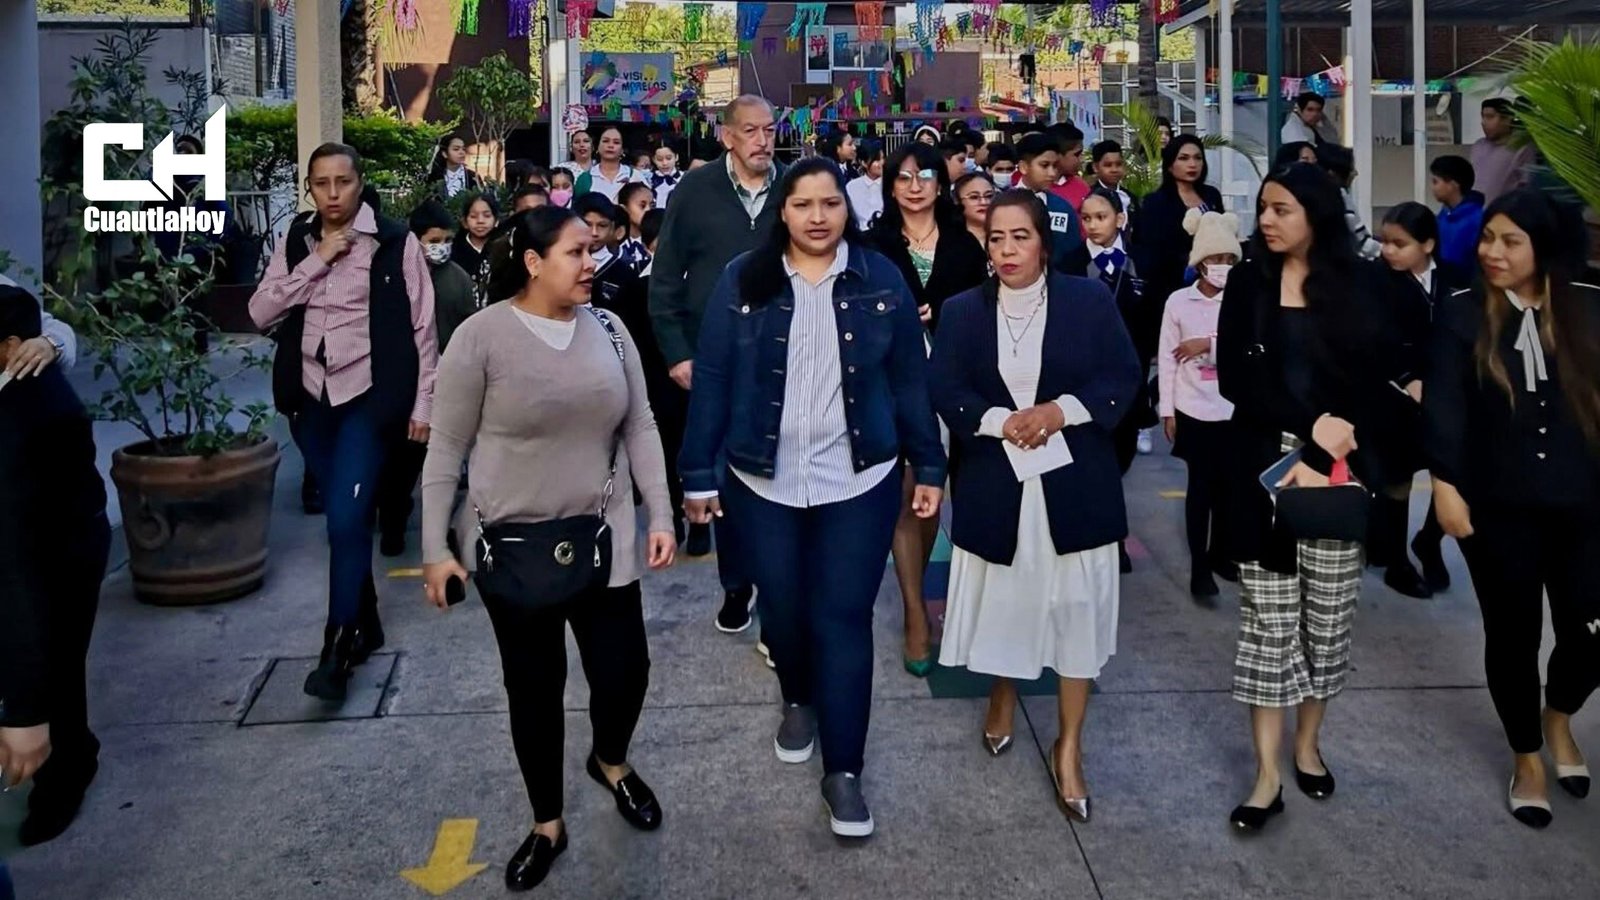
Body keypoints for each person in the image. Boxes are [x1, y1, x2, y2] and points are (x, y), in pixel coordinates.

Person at [678, 159, 945, 837]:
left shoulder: (879, 277)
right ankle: (797, 695)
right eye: (804, 204)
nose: (819, 216)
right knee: (787, 610)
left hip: (860, 480)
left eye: (831, 203)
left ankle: (844, 772)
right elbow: (712, 376)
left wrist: (930, 464)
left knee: (844, 617)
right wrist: (698, 474)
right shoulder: (746, 278)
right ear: (784, 213)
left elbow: (912, 380)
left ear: (845, 210)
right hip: (762, 480)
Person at [420, 206, 674, 890]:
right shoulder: (482, 338)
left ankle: (611, 761)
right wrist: (435, 549)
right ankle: (547, 824)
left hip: (604, 533)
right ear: (533, 264)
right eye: (575, 253)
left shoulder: (614, 333)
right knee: (535, 688)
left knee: (625, 673)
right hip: (512, 544)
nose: (591, 262)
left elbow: (642, 425)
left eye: (593, 250)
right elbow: (446, 448)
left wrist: (660, 514)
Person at [929, 190, 1140, 821]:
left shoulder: (1088, 300)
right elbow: (947, 386)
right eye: (996, 239)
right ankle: (1002, 691)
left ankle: (1069, 746)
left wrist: (1058, 412)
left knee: (1076, 612)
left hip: (1077, 483)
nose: (1007, 250)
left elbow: (1120, 377)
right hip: (998, 480)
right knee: (1008, 603)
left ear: (1044, 243)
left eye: (1020, 237)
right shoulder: (964, 311)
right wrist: (999, 422)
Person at [1215, 162, 1404, 832]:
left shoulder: (1363, 286)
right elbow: (1235, 377)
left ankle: (1307, 744)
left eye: (1282, 209)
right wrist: (1300, 430)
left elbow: (1374, 381)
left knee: (1326, 625)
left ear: (1317, 216)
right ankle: (1267, 776)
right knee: (1267, 629)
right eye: (1263, 207)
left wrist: (1324, 448)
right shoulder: (1246, 282)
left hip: (1336, 476)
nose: (1266, 220)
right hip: (1264, 469)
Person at [1423, 188, 1600, 829]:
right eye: (1488, 237)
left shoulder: (1588, 306)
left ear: (1544, 248)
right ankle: (1528, 755)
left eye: (1510, 241)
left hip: (1585, 503)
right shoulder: (1464, 309)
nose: (1492, 252)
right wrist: (1445, 483)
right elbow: (1444, 401)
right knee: (1514, 633)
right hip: (1498, 505)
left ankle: (1559, 716)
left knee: (1591, 627)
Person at [250, 143, 438, 701]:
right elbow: (260, 313)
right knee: (343, 515)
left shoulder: (396, 242)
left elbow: (425, 333)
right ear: (309, 189)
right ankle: (369, 619)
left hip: (368, 396)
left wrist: (423, 406)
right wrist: (318, 260)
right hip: (310, 402)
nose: (332, 194)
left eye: (342, 183)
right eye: (320, 184)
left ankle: (338, 644)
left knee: (345, 518)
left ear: (360, 185)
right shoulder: (295, 241)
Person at [649, 95, 784, 631]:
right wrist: (678, 352)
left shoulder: (794, 189)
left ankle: (777, 588)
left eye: (769, 130)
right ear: (727, 137)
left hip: (789, 360)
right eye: (750, 131)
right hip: (717, 362)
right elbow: (664, 280)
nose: (762, 141)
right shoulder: (696, 191)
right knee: (731, 481)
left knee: (779, 476)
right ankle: (736, 584)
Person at [870, 143, 988, 674]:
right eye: (904, 176)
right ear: (891, 184)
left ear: (942, 184)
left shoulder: (966, 245)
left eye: (926, 176)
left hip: (959, 383)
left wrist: (938, 310)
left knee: (934, 498)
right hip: (895, 382)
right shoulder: (872, 245)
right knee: (905, 493)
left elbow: (984, 306)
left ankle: (935, 597)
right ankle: (916, 613)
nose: (915, 185)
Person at [0, 286, 109, 848]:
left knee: (56, 659)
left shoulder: (28, 416)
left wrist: (24, 713)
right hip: (57, 538)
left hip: (63, 546)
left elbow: (16, 565)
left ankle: (63, 774)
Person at [374, 200, 479, 557]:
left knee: (440, 463)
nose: (442, 246)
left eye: (448, 239)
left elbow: (469, 327)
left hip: (449, 381)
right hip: (407, 381)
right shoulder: (398, 272)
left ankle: (441, 529)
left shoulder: (458, 279)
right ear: (415, 239)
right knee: (400, 461)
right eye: (434, 239)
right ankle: (393, 517)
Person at [1376, 201, 1462, 597]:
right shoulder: (1376, 282)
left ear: (1428, 244)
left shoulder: (1456, 281)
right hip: (1395, 398)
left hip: (1447, 396)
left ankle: (1429, 540)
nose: (1388, 251)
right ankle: (1396, 561)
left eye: (1399, 243)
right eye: (1384, 242)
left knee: (1451, 474)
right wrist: (1407, 378)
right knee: (1397, 481)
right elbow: (1373, 340)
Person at [1157, 210, 1242, 600]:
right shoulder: (1179, 301)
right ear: (1200, 261)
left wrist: (1207, 344)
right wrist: (1168, 409)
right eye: (1215, 259)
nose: (1222, 267)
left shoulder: (1242, 300)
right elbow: (1168, 357)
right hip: (1194, 407)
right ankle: (1200, 567)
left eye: (1228, 259)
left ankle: (1223, 552)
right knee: (1201, 488)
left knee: (1230, 488)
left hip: (1232, 406)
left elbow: (1246, 347)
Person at [1064, 188, 1148, 572]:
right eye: (1087, 218)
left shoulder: (1141, 264)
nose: (1094, 225)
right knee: (1091, 461)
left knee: (1120, 459)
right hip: (1083, 382)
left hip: (1128, 381)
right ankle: (1106, 542)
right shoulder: (1069, 263)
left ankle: (1109, 532)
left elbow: (1154, 320)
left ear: (1120, 219)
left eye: (1101, 216)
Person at [1134, 134, 1226, 364]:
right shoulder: (1156, 202)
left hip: (1213, 285)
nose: (1192, 164)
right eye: (1184, 158)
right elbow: (1150, 250)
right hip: (1170, 288)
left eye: (1197, 158)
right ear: (1170, 164)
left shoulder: (1211, 196)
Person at [1013, 132, 1082, 270]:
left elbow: (1075, 256)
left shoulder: (1062, 208)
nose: (1052, 173)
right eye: (1044, 165)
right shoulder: (1002, 206)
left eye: (1055, 166)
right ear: (1024, 167)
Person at [1315, 143, 1381, 260]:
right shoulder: (1340, 197)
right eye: (1350, 169)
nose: (1354, 173)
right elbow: (1362, 242)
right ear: (1333, 174)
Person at [1430, 155, 1485, 283]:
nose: (1433, 188)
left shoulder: (1477, 219)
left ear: (1453, 184)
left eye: (1436, 182)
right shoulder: (1443, 215)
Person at [1471, 98, 1535, 204]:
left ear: (1507, 119)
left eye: (1490, 117)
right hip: (1474, 214)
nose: (1484, 122)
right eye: (1483, 117)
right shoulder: (1478, 146)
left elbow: (1526, 187)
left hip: (1504, 214)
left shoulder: (1521, 148)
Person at [452, 191, 500, 309]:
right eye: (473, 216)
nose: (480, 221)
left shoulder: (503, 249)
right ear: (464, 222)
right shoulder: (454, 251)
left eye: (487, 215)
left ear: (496, 221)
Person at [575, 127, 645, 202]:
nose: (610, 145)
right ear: (597, 147)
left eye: (616, 142)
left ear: (622, 150)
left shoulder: (635, 176)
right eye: (605, 141)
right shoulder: (584, 179)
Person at [1089, 140, 1136, 236]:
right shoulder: (1090, 197)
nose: (1114, 170)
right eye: (1108, 165)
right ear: (1095, 167)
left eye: (1118, 164)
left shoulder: (1130, 197)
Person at [1044, 123, 1091, 213]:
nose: (1082, 159)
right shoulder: (1035, 187)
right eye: (1077, 154)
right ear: (1056, 155)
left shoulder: (1081, 186)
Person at [614, 182, 656, 271]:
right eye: (642, 206)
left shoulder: (657, 239)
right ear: (624, 208)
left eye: (652, 205)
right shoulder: (615, 242)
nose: (648, 210)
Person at [846, 141, 886, 230]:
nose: (882, 163)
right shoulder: (852, 187)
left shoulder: (890, 184)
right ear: (863, 163)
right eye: (877, 160)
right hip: (860, 237)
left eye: (882, 158)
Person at [425, 134, 480, 198]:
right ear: (445, 154)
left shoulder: (473, 177)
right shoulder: (435, 177)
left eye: (463, 149)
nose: (461, 152)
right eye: (456, 149)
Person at [953, 171, 996, 249]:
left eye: (989, 196)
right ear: (958, 201)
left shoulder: (1007, 236)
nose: (984, 202)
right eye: (974, 197)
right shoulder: (948, 240)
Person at [648, 142, 683, 208]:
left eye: (669, 158)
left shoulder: (685, 178)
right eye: (659, 159)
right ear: (653, 160)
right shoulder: (648, 180)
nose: (664, 163)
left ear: (676, 157)